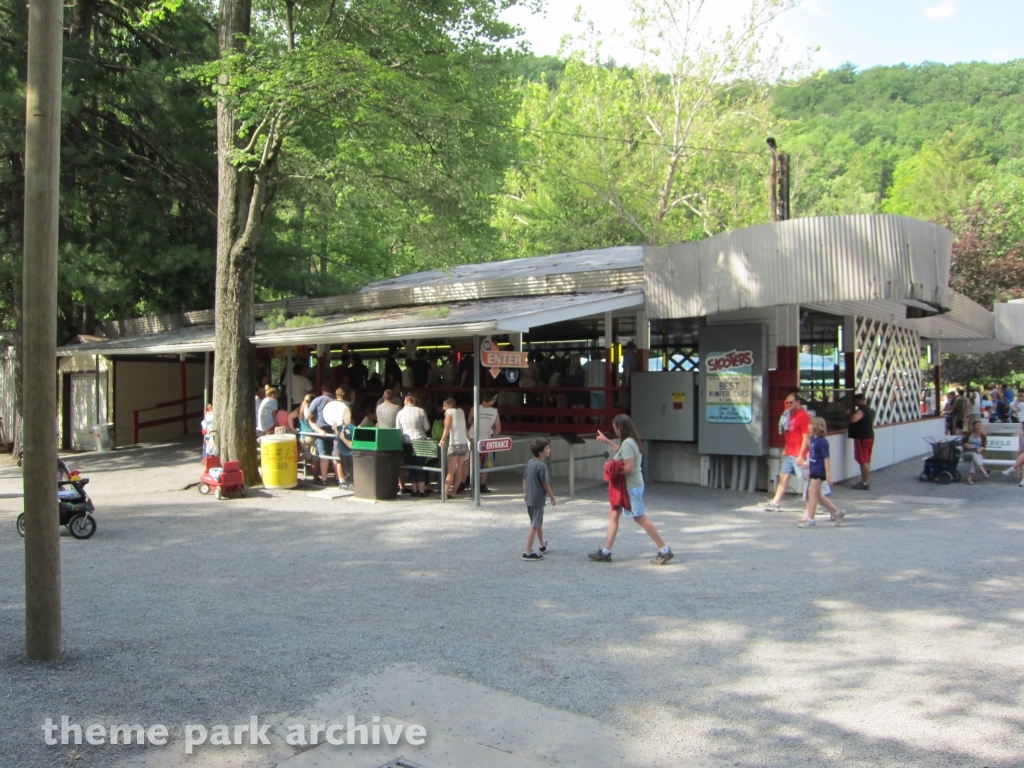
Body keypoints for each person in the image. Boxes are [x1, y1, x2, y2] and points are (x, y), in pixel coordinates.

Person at [589, 414, 673, 565]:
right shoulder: (632, 441)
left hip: (630, 486)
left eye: (615, 428)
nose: (614, 430)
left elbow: (628, 467)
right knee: (613, 514)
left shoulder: (627, 443)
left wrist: (610, 468)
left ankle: (664, 550)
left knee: (639, 517)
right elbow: (621, 452)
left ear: (620, 428)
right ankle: (606, 551)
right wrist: (607, 441)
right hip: (630, 485)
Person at [761, 393, 811, 511]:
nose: (789, 404)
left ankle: (817, 504)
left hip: (799, 454)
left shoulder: (803, 416)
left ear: (798, 402)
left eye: (791, 402)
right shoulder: (788, 415)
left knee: (808, 480)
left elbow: (806, 437)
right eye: (787, 402)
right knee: (783, 477)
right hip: (789, 451)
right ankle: (775, 502)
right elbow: (789, 434)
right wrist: (785, 449)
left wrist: (801, 454)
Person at [797, 417, 846, 528]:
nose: (809, 426)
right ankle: (837, 512)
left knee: (812, 492)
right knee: (818, 495)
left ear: (816, 427)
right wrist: (809, 468)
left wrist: (828, 476)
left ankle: (810, 519)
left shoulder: (823, 442)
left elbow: (826, 459)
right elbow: (814, 456)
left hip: (820, 470)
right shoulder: (813, 440)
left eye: (811, 424)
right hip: (814, 469)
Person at [522, 438, 555, 561]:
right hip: (538, 498)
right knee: (535, 525)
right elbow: (545, 484)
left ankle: (542, 545)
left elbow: (524, 479)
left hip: (530, 497)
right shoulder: (542, 466)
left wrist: (525, 493)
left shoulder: (530, 462)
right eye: (547, 448)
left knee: (537, 521)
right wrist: (552, 497)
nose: (549, 450)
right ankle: (527, 551)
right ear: (541, 452)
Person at [396, 393, 431, 497]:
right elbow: (427, 427)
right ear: (414, 400)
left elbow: (398, 429)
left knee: (411, 466)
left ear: (406, 401)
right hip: (419, 440)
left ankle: (414, 490)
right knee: (420, 465)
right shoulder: (421, 411)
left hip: (407, 442)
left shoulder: (400, 413)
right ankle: (421, 491)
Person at [467, 392, 500, 494]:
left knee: (472, 463)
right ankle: (482, 484)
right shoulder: (495, 411)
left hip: (472, 438)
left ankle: (471, 483)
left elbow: (469, 421)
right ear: (492, 400)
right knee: (487, 463)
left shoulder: (474, 408)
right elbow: (498, 429)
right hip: (486, 440)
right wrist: (492, 437)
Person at [306, 383, 337, 485]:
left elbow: (308, 416)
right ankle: (338, 479)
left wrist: (318, 430)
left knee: (323, 455)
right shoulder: (337, 400)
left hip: (321, 430)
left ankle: (324, 479)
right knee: (335, 456)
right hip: (335, 430)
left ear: (323, 389)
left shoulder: (317, 400)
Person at [439, 398, 469, 496]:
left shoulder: (449, 411)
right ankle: (454, 492)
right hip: (464, 443)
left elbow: (447, 426)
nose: (443, 408)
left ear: (450, 405)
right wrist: (469, 439)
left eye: (444, 406)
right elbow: (464, 428)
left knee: (450, 471)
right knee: (459, 470)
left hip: (454, 443)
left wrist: (442, 439)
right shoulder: (461, 411)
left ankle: (445, 493)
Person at [289, 393, 320, 482]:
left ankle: (305, 473)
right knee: (314, 458)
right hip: (312, 435)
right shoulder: (312, 409)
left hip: (302, 436)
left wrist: (293, 429)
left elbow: (290, 416)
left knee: (306, 456)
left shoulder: (299, 409)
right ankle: (316, 478)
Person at [848, 392, 875, 490]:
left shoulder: (861, 410)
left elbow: (853, 419)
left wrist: (848, 414)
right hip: (869, 436)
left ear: (859, 400)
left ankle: (865, 482)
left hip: (862, 437)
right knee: (866, 459)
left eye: (855, 401)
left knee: (863, 460)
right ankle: (865, 480)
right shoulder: (870, 410)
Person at [961, 420, 990, 484]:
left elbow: (984, 446)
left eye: (980, 425)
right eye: (977, 425)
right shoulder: (967, 434)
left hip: (977, 453)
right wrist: (965, 444)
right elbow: (961, 442)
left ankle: (970, 478)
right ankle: (984, 471)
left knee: (974, 459)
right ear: (974, 426)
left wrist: (981, 448)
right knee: (973, 454)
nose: (979, 427)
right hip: (967, 453)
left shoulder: (983, 436)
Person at [584, 350, 606, 417]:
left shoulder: (588, 364)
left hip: (591, 389)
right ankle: (601, 424)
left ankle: (595, 425)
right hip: (602, 389)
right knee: (602, 408)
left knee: (594, 408)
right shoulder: (604, 364)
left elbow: (582, 374)